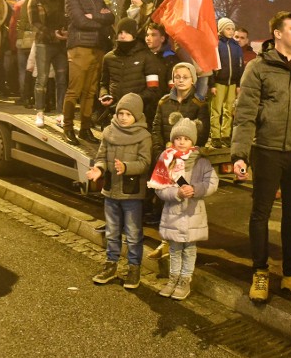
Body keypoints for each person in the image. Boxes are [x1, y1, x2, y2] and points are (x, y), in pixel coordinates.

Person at [231, 11, 291, 302]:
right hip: (267, 151)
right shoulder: (258, 68)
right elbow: (245, 114)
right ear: (277, 33)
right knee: (261, 214)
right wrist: (240, 154)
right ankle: (260, 273)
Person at [149, 114, 219, 300]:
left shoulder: (201, 162)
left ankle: (184, 281)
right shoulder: (167, 161)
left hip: (193, 215)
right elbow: (159, 189)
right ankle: (172, 279)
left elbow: (212, 182)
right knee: (174, 249)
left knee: (189, 249)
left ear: (192, 141)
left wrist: (196, 189)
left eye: (186, 139)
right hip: (173, 214)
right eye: (178, 138)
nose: (181, 142)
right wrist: (177, 194)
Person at [86, 93, 152, 289]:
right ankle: (111, 264)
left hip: (131, 193)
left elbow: (145, 163)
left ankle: (134, 268)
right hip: (111, 192)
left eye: (128, 114)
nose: (123, 117)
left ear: (137, 116)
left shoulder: (143, 136)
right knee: (112, 231)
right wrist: (98, 168)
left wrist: (126, 167)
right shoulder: (109, 132)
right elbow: (101, 156)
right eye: (120, 113)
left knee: (133, 233)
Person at [147, 62, 210, 248]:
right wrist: (161, 154)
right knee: (165, 199)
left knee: (185, 198)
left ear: (193, 80)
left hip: (187, 162)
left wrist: (188, 156)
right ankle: (165, 242)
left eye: (185, 77)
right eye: (177, 77)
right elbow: (156, 128)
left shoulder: (199, 103)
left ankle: (185, 241)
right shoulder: (164, 102)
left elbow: (203, 133)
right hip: (167, 160)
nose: (180, 81)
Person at [63, 0, 115, 145]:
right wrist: (100, 21)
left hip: (97, 47)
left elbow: (111, 18)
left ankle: (85, 129)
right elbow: (80, 22)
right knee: (74, 89)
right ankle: (68, 128)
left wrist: (95, 17)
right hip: (80, 47)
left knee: (90, 91)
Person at [97, 18, 161, 132]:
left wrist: (132, 102)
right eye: (120, 32)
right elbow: (103, 84)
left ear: (134, 34)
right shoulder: (108, 58)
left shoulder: (147, 57)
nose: (123, 35)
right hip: (113, 113)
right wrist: (104, 95)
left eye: (127, 32)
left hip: (138, 116)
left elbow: (153, 89)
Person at [29, 0, 68, 127]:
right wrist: (52, 34)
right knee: (42, 79)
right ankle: (39, 112)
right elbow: (35, 23)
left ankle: (61, 113)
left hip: (60, 44)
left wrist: (65, 32)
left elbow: (67, 16)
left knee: (62, 80)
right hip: (44, 43)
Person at [210, 18, 243, 149]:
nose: (231, 31)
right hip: (219, 82)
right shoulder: (216, 45)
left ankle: (225, 135)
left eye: (232, 29)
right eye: (228, 29)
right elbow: (212, 65)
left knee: (229, 110)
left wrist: (239, 84)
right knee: (216, 110)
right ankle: (215, 136)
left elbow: (240, 66)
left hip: (233, 83)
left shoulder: (236, 46)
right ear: (221, 29)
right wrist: (212, 84)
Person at [144, 22, 177, 100]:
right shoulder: (143, 57)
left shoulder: (171, 58)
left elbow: (173, 88)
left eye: (153, 35)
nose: (148, 38)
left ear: (162, 38)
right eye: (147, 35)